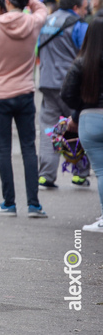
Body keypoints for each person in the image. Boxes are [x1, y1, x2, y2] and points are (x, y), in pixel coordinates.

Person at [0, 0, 49, 218]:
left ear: (6, 0)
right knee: (28, 148)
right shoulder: (32, 21)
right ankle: (34, 204)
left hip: (0, 94)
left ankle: (9, 203)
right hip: (26, 92)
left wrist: (0, 11)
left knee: (3, 150)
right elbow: (43, 10)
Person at [37, 0, 90, 189]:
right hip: (71, 87)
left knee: (49, 130)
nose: (86, 12)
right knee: (77, 126)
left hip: (47, 82)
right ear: (76, 7)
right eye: (84, 8)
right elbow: (87, 53)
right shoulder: (79, 25)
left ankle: (46, 175)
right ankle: (79, 173)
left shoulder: (47, 21)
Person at [62, 15, 103, 232]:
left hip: (90, 120)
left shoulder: (82, 62)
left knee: (101, 171)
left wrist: (80, 110)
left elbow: (66, 93)